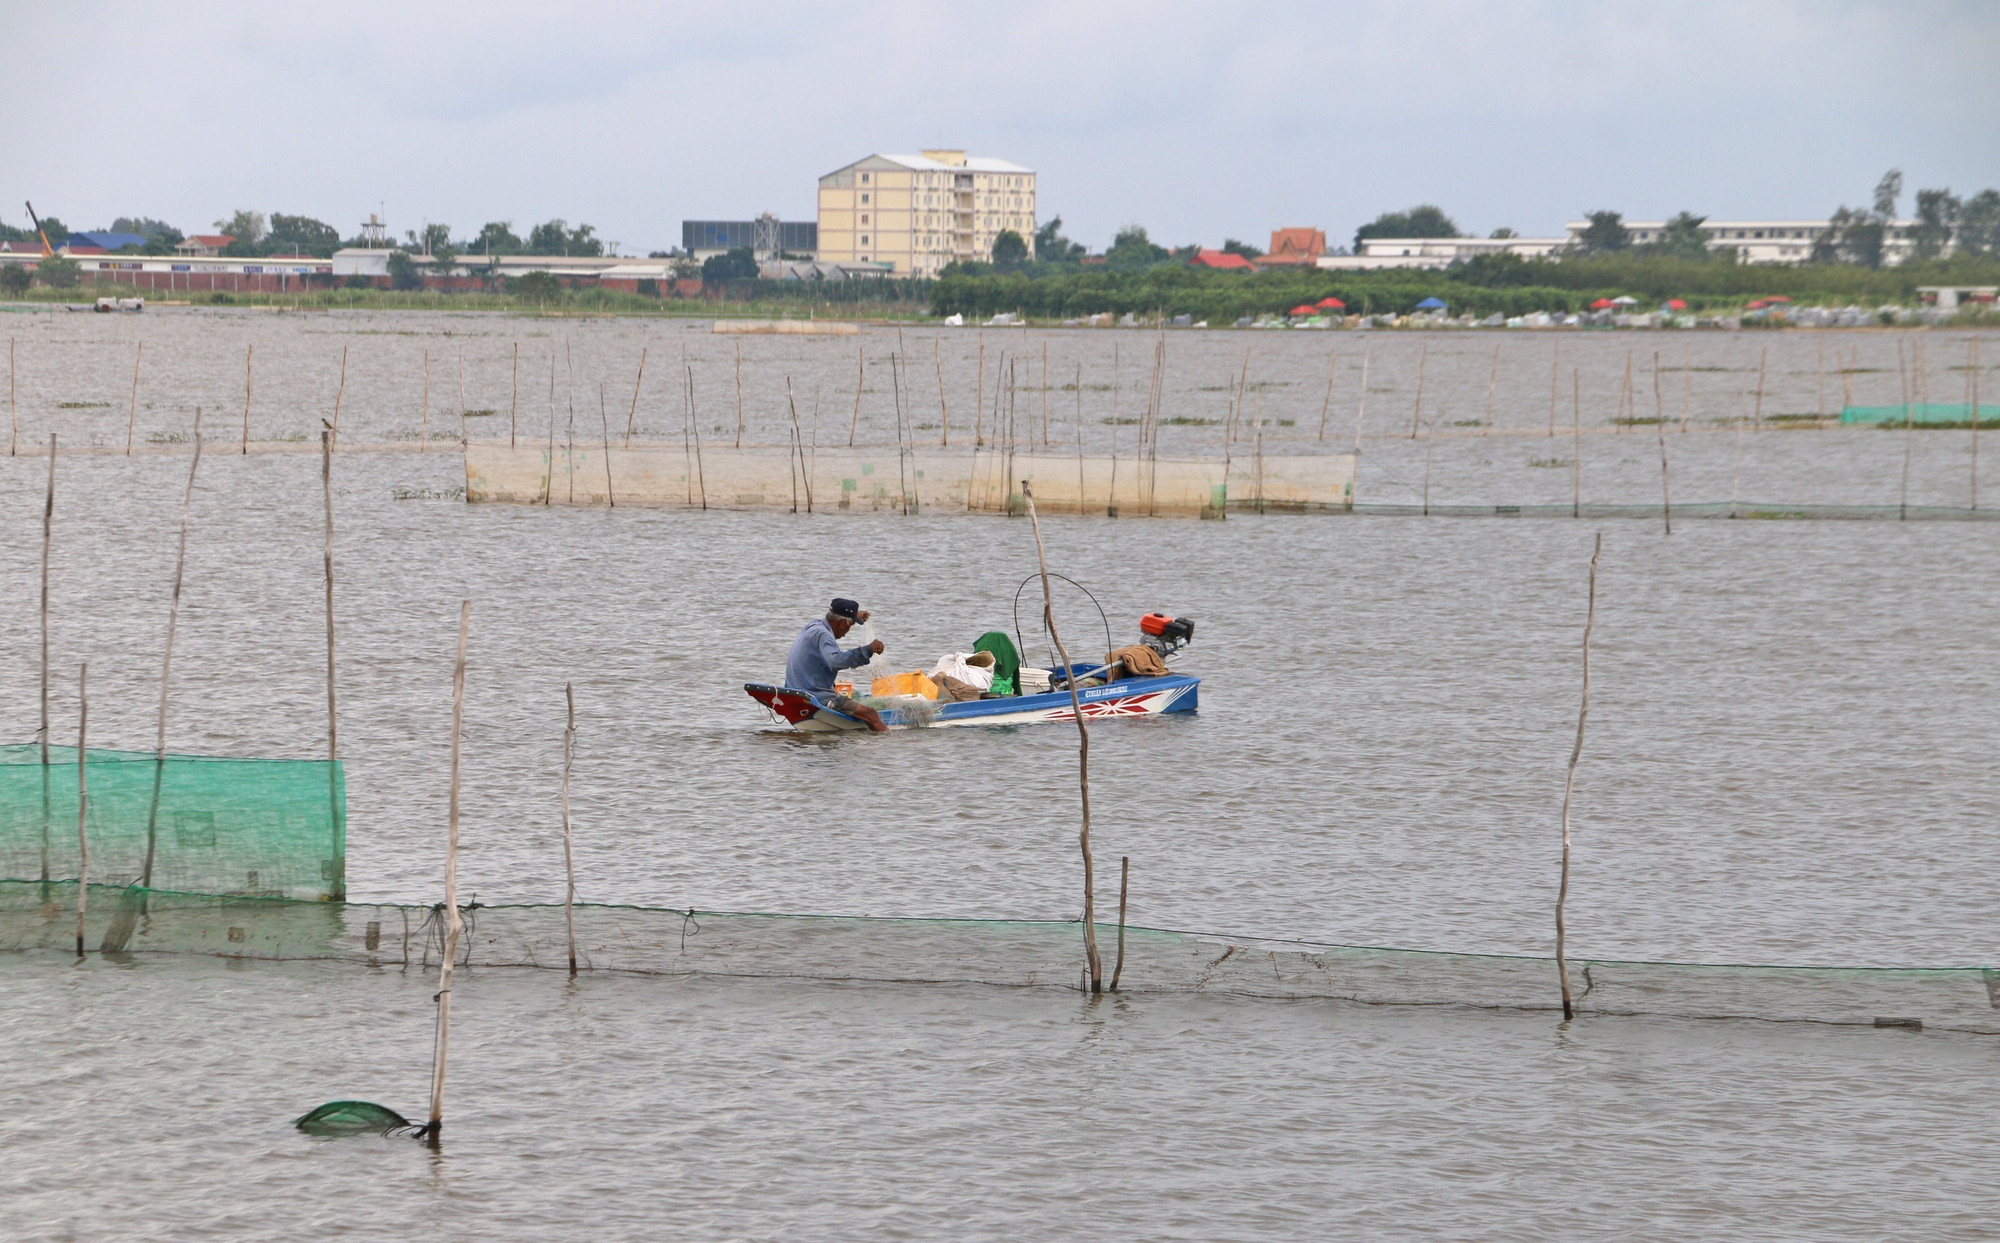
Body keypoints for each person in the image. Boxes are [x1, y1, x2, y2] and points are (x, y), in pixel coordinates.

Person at [784, 598, 889, 733]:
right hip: (815, 695)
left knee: (851, 698)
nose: (846, 633)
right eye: (849, 626)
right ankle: (888, 745)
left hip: (796, 689)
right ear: (842, 622)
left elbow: (839, 615)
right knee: (871, 714)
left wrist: (854, 615)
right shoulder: (825, 635)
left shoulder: (814, 626)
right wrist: (868, 650)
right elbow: (836, 661)